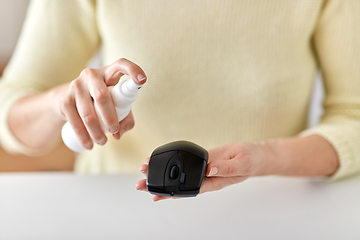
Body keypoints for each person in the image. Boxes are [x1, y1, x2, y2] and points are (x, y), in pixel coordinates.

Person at [0, 0, 359, 201]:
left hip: (269, 209)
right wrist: (59, 103)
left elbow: (353, 117)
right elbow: (11, 113)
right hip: (114, 211)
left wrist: (268, 156)